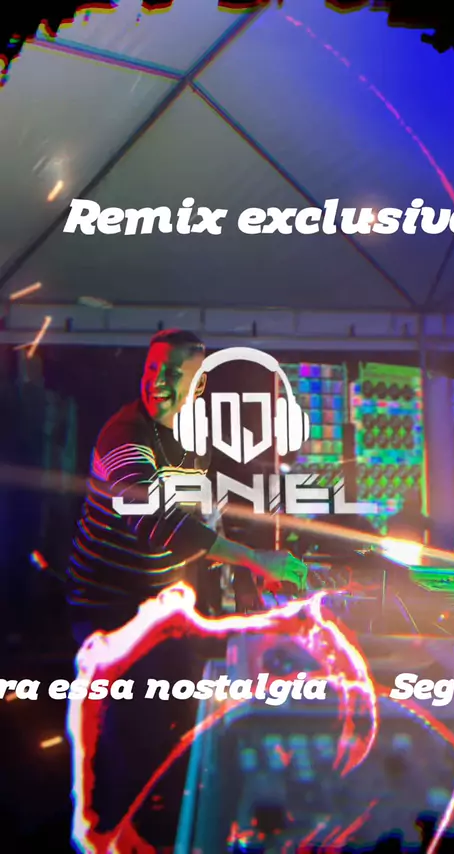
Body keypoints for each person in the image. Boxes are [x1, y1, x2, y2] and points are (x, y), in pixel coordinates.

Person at [66, 328, 307, 850]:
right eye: (153, 368)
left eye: (173, 372)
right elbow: (161, 525)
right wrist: (254, 558)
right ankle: (109, 836)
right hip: (108, 607)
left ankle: (157, 826)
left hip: (158, 602)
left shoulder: (192, 435)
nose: (158, 381)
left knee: (173, 725)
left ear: (197, 385)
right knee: (126, 734)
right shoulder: (123, 437)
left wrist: (245, 563)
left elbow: (200, 513)